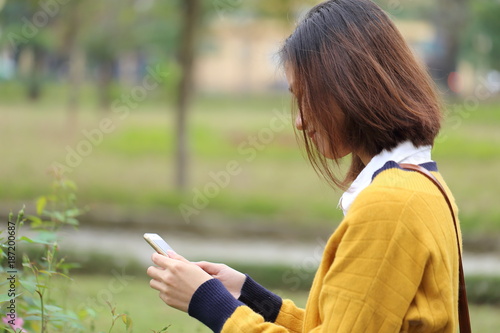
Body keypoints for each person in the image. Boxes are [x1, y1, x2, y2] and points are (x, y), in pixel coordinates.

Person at [147, 0, 462, 332]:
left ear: (350, 88)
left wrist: (209, 302)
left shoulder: (389, 206)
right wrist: (250, 296)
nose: (299, 121)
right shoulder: (422, 183)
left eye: (307, 97)